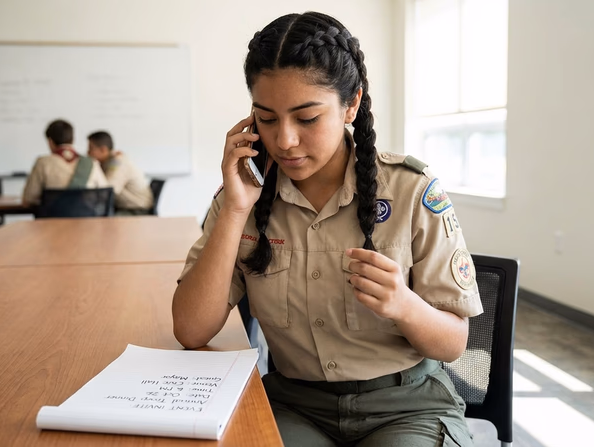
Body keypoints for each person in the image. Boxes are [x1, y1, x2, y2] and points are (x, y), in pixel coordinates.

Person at [172, 12, 483, 447]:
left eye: (307, 118)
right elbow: (191, 330)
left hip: (405, 406)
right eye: (266, 118)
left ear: (351, 104)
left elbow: (453, 344)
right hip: (296, 405)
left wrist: (404, 305)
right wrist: (234, 210)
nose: (284, 140)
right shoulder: (242, 197)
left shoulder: (412, 191)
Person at [22, 119, 108, 206]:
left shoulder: (42, 163)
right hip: (86, 218)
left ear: (50, 142)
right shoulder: (91, 163)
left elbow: (29, 198)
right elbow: (106, 194)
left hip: (52, 218)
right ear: (73, 140)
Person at [87, 131, 153, 215]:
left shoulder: (117, 163)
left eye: (90, 148)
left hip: (136, 210)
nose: (88, 153)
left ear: (103, 150)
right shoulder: (108, 162)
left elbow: (108, 191)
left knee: (97, 219)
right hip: (125, 207)